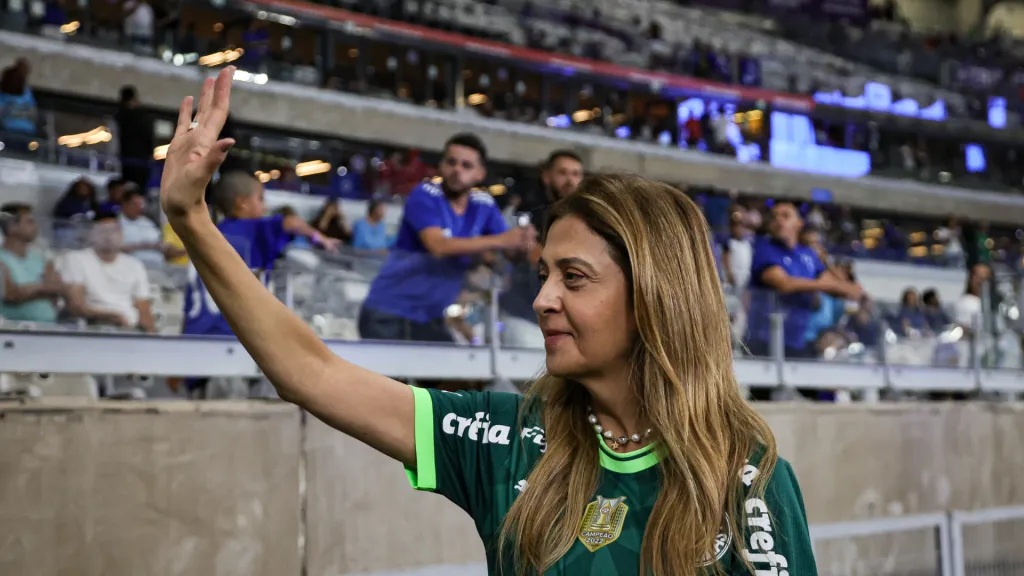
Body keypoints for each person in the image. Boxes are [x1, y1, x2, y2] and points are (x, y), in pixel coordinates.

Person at [158, 68, 815, 575]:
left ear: (654, 298)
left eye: (574, 278)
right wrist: (194, 220)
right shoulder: (507, 436)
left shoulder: (747, 474)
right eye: (542, 275)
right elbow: (310, 370)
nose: (543, 299)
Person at [358, 133, 534, 342]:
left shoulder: (483, 204)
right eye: (451, 162)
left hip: (429, 318)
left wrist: (523, 242)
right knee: (390, 376)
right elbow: (439, 246)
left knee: (454, 373)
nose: (457, 170)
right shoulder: (424, 194)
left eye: (466, 165)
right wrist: (504, 240)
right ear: (441, 166)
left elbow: (508, 251)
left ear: (480, 174)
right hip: (387, 314)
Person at [180, 171, 339, 398]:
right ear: (242, 203)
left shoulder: (208, 237)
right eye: (261, 198)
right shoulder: (254, 230)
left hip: (194, 351)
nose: (264, 207)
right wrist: (320, 238)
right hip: (230, 349)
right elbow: (289, 221)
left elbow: (188, 303)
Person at [746, 201, 862, 360]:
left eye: (785, 216)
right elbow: (783, 284)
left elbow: (851, 290)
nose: (779, 220)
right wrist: (824, 285)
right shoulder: (764, 249)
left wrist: (826, 260)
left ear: (799, 223)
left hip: (797, 341)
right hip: (765, 341)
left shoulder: (808, 255)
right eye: (774, 217)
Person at [499, 150, 585, 349]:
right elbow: (537, 259)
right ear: (547, 177)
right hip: (524, 316)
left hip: (567, 317)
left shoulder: (585, 219)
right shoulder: (524, 212)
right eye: (563, 173)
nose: (570, 180)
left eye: (575, 174)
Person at [61, 210, 155, 332]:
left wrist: (152, 338)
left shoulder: (135, 265)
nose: (108, 236)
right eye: (102, 231)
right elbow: (76, 306)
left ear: (122, 234)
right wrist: (111, 316)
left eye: (114, 230)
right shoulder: (75, 259)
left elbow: (144, 310)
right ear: (91, 234)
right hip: (92, 328)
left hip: (130, 330)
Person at [0, 203, 62, 323]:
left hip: (48, 327)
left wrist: (28, 290)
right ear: (12, 227)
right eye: (29, 222)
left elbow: (58, 289)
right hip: (15, 331)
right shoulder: (2, 259)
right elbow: (10, 295)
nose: (36, 226)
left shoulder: (41, 259)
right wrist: (44, 288)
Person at [119, 188, 185, 266]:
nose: (139, 207)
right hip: (134, 265)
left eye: (140, 204)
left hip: (158, 264)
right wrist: (143, 246)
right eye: (135, 204)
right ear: (125, 205)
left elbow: (161, 243)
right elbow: (116, 249)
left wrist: (179, 251)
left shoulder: (147, 222)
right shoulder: (117, 224)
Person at [114, 85, 155, 193]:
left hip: (126, 158)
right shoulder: (141, 116)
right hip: (140, 159)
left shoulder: (120, 115)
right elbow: (148, 135)